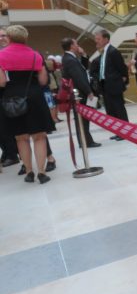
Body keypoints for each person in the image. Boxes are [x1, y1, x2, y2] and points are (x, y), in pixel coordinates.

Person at [0, 25, 54, 183]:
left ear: (9, 38)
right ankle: (42, 172)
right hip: (35, 98)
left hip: (13, 99)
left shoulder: (1, 55)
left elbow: (2, 82)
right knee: (39, 137)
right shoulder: (35, 55)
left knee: (21, 138)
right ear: (25, 38)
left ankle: (29, 171)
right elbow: (43, 80)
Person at [61, 37, 101, 148]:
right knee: (83, 118)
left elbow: (83, 69)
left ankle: (85, 140)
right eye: (76, 44)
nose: (78, 45)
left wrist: (83, 54)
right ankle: (86, 141)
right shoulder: (70, 59)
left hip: (80, 92)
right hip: (80, 93)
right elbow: (78, 77)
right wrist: (89, 91)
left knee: (85, 117)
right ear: (71, 46)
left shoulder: (71, 58)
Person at [94, 29, 129, 141]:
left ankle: (124, 132)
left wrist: (123, 80)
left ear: (106, 39)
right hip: (105, 86)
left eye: (98, 39)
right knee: (111, 111)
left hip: (114, 85)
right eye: (96, 39)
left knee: (119, 109)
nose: (96, 41)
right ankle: (117, 131)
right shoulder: (103, 52)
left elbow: (122, 68)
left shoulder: (113, 51)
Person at [0, 26, 20, 169]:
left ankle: (12, 153)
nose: (1, 38)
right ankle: (8, 151)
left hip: (14, 93)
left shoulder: (16, 52)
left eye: (3, 35)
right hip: (4, 92)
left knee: (8, 125)